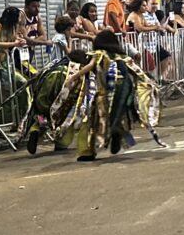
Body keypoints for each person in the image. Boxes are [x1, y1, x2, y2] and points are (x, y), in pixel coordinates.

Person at [50, 30, 162, 162]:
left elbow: (90, 66)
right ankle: (117, 133)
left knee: (92, 122)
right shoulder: (122, 57)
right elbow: (137, 73)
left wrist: (73, 76)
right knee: (119, 117)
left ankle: (88, 151)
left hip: (103, 95)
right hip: (123, 93)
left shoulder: (99, 54)